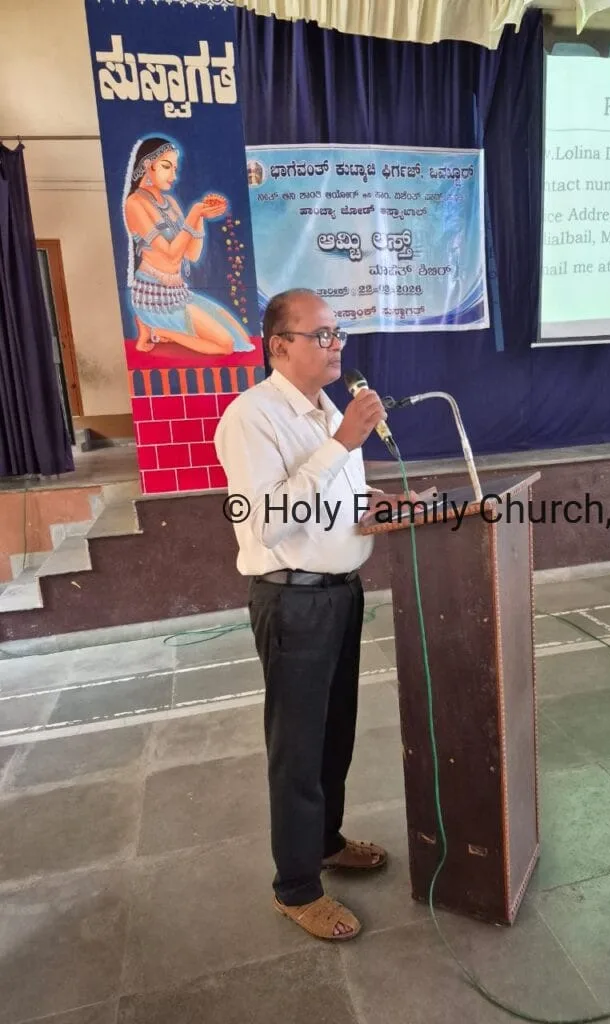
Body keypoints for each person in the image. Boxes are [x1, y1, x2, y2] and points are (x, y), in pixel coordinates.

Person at [214, 288, 414, 941]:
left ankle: (325, 841)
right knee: (297, 749)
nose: (336, 346)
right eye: (321, 335)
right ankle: (296, 888)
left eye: (338, 334)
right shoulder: (252, 417)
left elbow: (328, 500)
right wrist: (342, 443)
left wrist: (373, 502)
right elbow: (268, 522)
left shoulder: (327, 409)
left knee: (335, 735)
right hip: (293, 600)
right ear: (279, 346)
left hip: (341, 593)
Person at [122, 135, 255, 356]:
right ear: (147, 165)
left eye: (175, 168)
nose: (173, 176)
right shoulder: (135, 204)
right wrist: (193, 214)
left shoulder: (171, 203)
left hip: (177, 293)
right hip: (153, 295)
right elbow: (170, 255)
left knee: (240, 336)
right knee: (226, 345)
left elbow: (192, 255)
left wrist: (200, 216)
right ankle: (155, 330)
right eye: (166, 167)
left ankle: (154, 329)